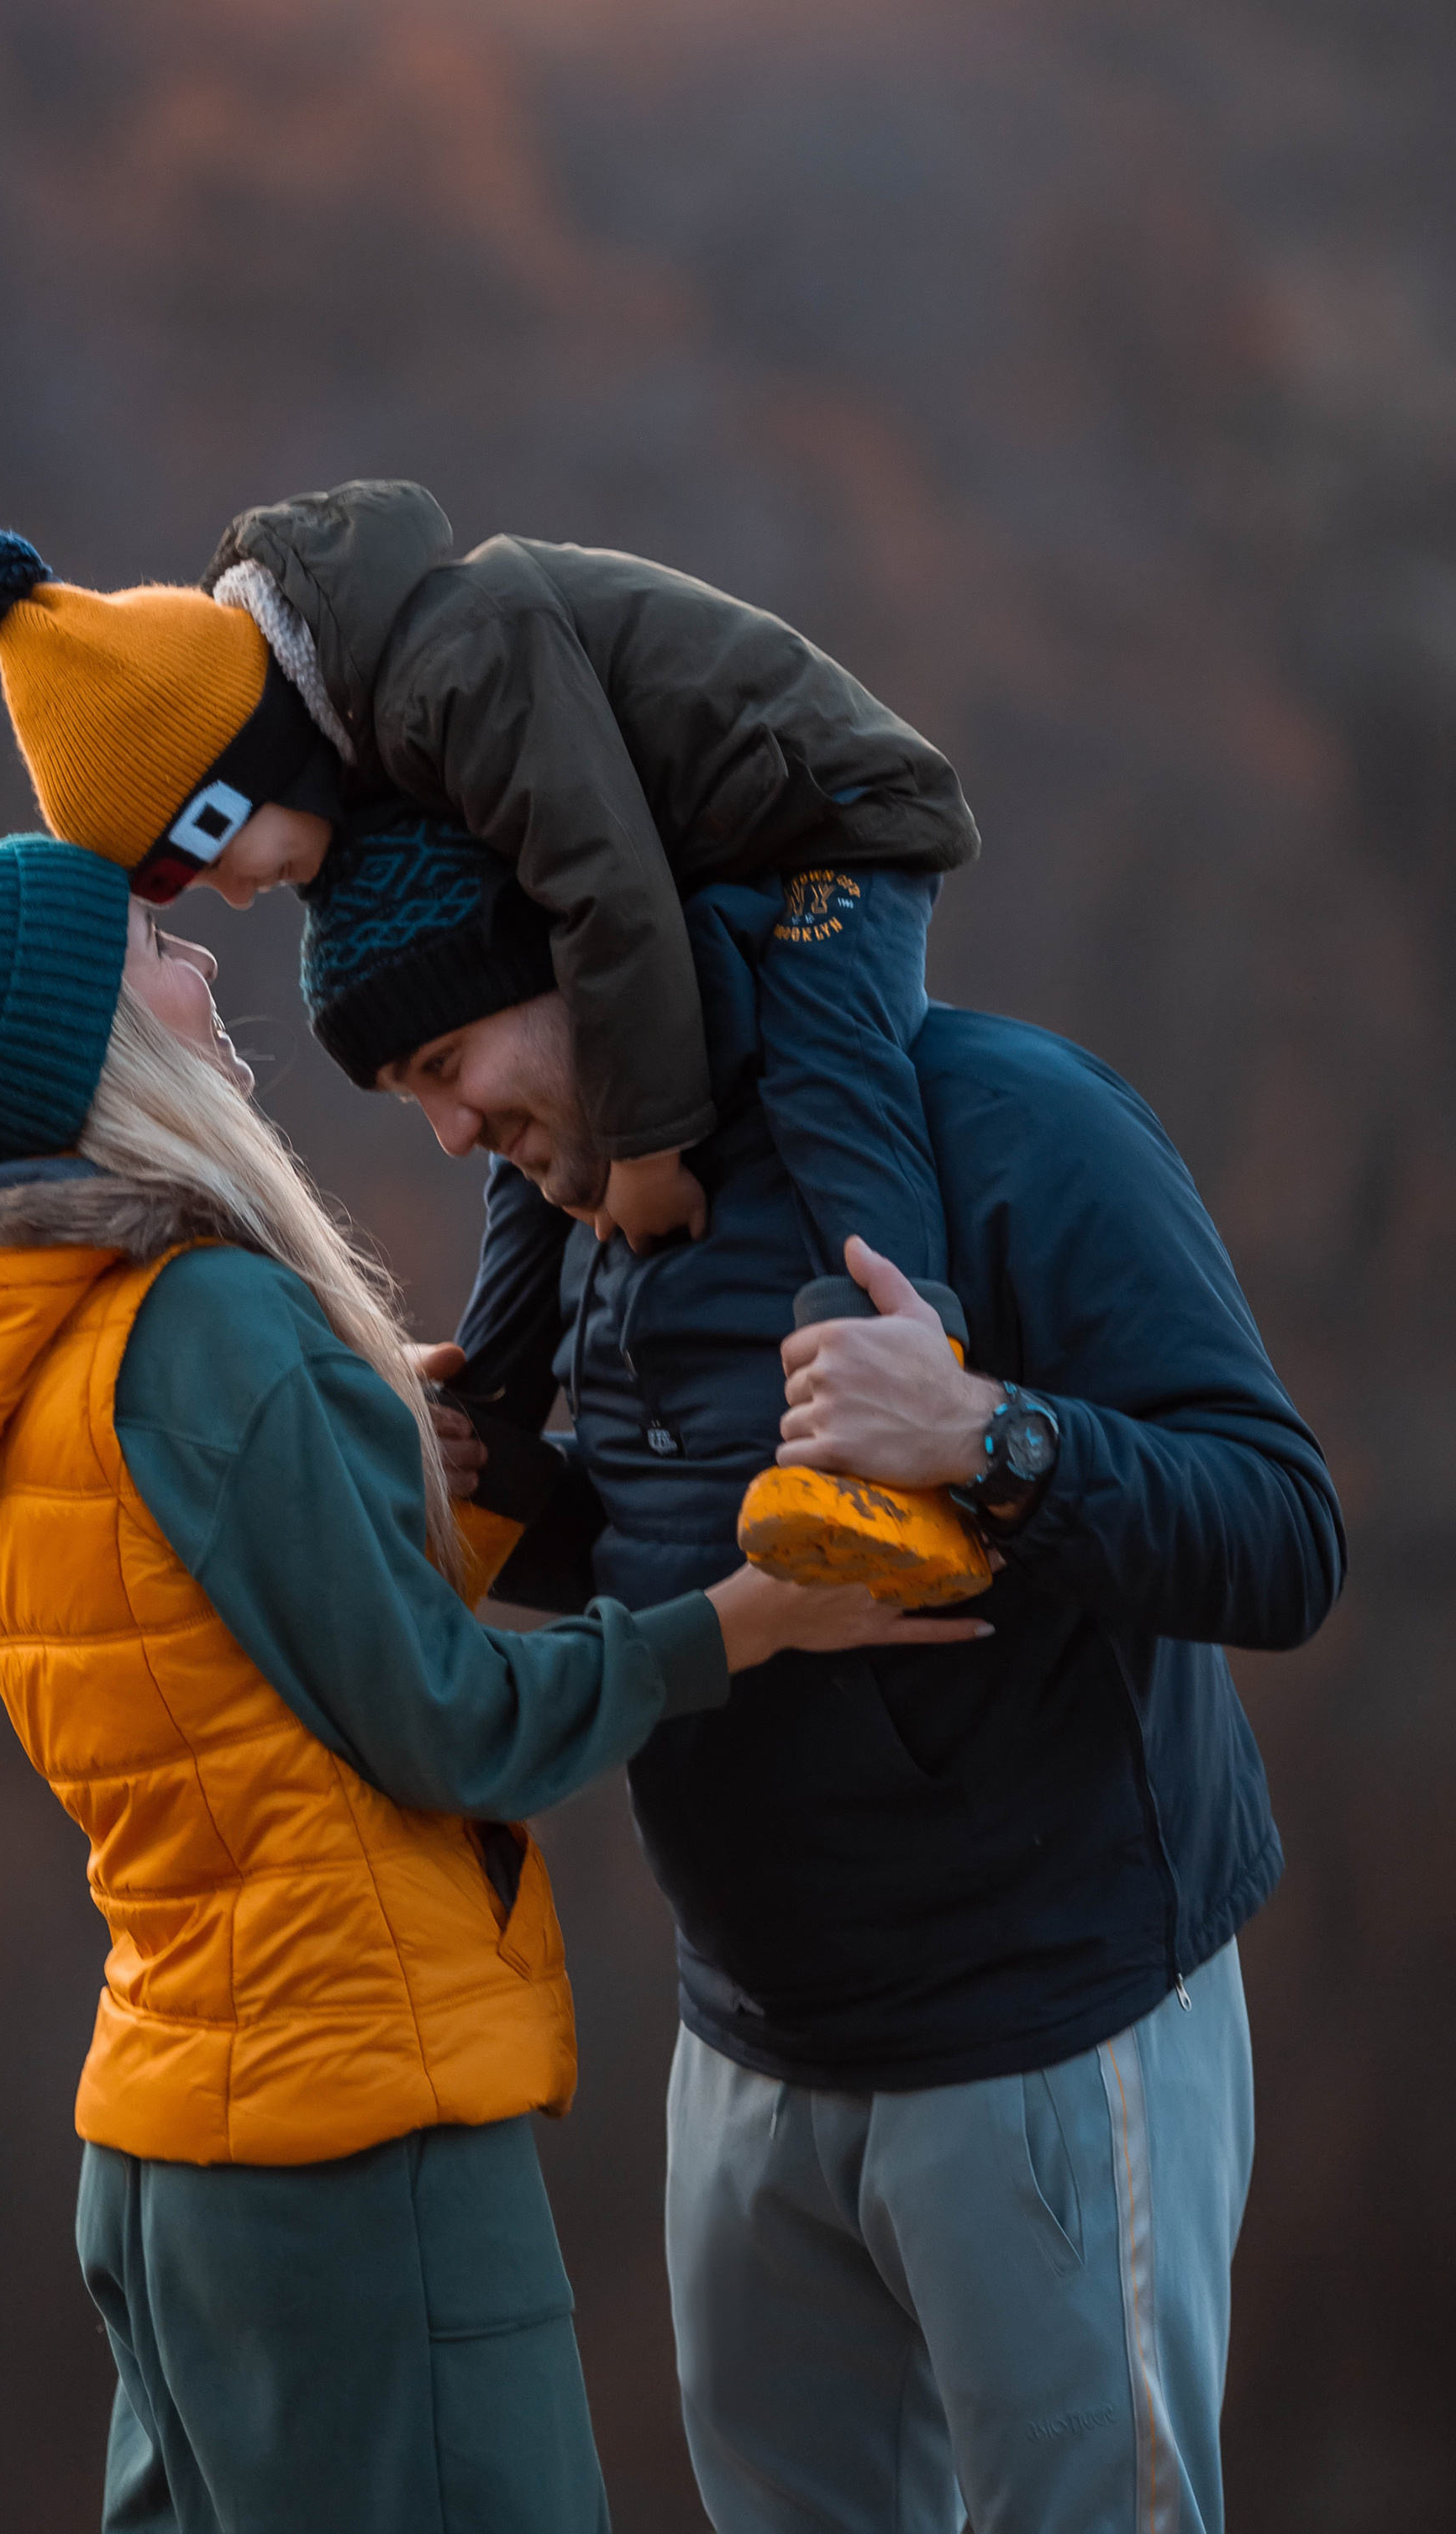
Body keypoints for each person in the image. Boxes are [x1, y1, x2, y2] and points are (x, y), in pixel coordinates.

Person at [0, 832, 986, 2534]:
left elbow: (216, 1635)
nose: (202, 970)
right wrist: (739, 1621)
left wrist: (363, 1439)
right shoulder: (206, 1325)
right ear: (89, 1040)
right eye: (151, 954)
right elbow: (448, 1724)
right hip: (350, 2147)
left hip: (162, 2148)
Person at [295, 809, 1345, 2534]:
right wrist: (516, 1496)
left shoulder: (1007, 1120)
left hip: (1044, 2042)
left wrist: (985, 1433)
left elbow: (1284, 1537)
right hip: (743, 2061)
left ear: (579, 976)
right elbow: (690, 1542)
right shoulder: (587, 1204)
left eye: (444, 1059)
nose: (445, 1129)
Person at [0, 478, 976, 1264]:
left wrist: (649, 1158)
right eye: (174, 890)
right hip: (704, 855)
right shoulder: (365, 752)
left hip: (828, 819)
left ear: (243, 760)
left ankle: (907, 1337)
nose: (235, 895)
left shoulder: (457, 669)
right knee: (548, 1093)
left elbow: (606, 891)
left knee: (820, 1047)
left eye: (205, 857)